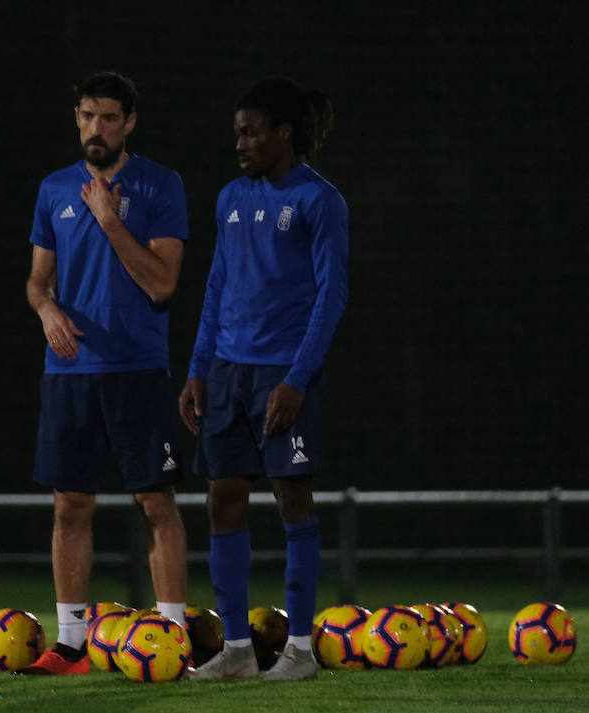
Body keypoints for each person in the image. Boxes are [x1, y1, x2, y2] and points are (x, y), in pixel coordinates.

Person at [179, 77, 348, 681]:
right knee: (222, 496)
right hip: (227, 371)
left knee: (291, 495)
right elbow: (216, 286)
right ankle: (238, 651)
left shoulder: (318, 201)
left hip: (282, 372)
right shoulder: (230, 198)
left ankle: (299, 650)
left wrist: (297, 379)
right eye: (237, 134)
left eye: (251, 133)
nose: (240, 144)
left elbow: (332, 296)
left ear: (284, 133)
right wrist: (198, 369)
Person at [23, 71, 189, 675]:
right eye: (89, 115)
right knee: (70, 506)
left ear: (129, 123)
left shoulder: (161, 185)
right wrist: (47, 311)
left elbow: (163, 283)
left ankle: (173, 638)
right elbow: (37, 281)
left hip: (137, 368)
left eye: (110, 117)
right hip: (69, 372)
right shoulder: (53, 188)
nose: (98, 127)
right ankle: (71, 644)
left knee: (156, 502)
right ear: (77, 118)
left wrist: (110, 219)